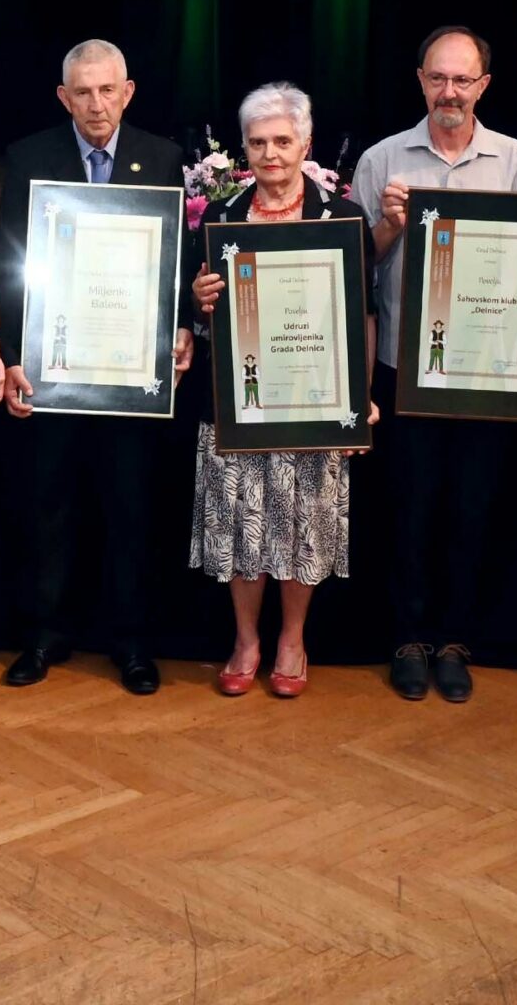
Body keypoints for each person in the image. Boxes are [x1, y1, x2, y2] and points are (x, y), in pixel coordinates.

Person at [351, 25, 517, 703]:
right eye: (438, 78)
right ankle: (408, 641)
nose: (450, 91)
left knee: (473, 510)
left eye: (463, 79)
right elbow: (352, 271)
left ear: (483, 86)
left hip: (488, 372)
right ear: (420, 81)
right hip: (403, 368)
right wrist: (388, 225)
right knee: (409, 510)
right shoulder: (381, 160)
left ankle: (456, 642)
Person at [0, 38, 190, 695]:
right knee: (47, 504)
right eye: (83, 92)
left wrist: (181, 328)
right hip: (52, 370)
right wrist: (13, 357)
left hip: (130, 374)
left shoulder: (162, 158)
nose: (97, 104)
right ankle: (44, 634)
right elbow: (10, 262)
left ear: (127, 93)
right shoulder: (29, 157)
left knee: (130, 507)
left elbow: (178, 262)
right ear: (64, 97)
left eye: (108, 90)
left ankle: (130, 640)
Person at [184, 84, 373, 699]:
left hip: (317, 398)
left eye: (283, 141)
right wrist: (200, 300)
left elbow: (363, 315)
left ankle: (292, 639)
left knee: (304, 523)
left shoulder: (342, 217)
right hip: (239, 400)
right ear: (244, 148)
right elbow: (202, 316)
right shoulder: (221, 218)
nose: (271, 154)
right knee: (242, 524)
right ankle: (246, 640)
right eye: (259, 142)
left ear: (306, 145)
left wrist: (360, 398)